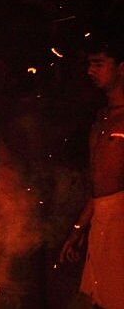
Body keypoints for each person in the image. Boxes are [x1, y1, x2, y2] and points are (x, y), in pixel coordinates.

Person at [60, 35, 124, 309]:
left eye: (99, 64)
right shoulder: (101, 118)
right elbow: (96, 186)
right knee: (97, 296)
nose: (90, 71)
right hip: (102, 219)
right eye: (89, 64)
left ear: (122, 67)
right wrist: (78, 229)